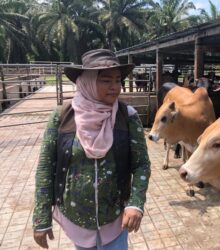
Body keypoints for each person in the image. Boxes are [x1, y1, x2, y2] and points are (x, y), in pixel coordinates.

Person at [32, 49, 151, 249]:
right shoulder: (62, 116)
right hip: (76, 218)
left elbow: (141, 164)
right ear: (86, 81)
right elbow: (45, 167)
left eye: (117, 80)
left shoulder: (127, 116)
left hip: (115, 219)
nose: (115, 87)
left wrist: (136, 203)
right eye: (106, 80)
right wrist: (41, 218)